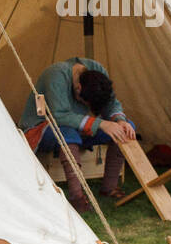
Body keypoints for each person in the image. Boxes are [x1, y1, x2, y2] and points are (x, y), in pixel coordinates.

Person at [17, 58, 135, 213]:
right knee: (67, 133)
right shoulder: (55, 75)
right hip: (44, 127)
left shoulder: (96, 69)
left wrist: (119, 120)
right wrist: (100, 124)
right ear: (78, 88)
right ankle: (77, 197)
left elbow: (110, 102)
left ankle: (109, 187)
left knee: (127, 128)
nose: (86, 107)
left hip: (82, 126)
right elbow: (58, 116)